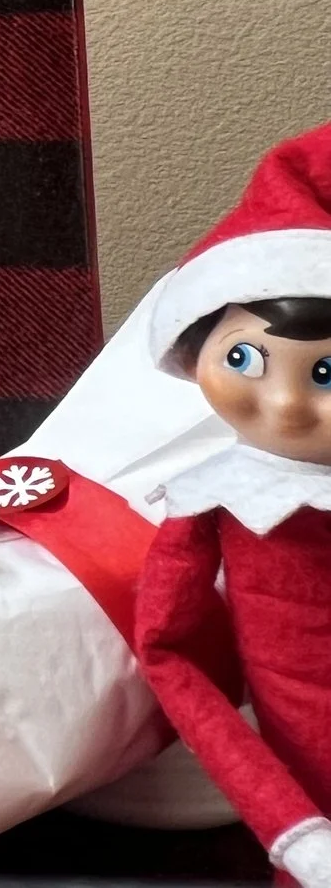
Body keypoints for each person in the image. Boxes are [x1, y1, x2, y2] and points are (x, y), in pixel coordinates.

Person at [135, 123, 331, 888]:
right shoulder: (213, 505)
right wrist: (291, 826)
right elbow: (172, 656)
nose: (283, 404)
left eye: (324, 370)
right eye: (244, 357)